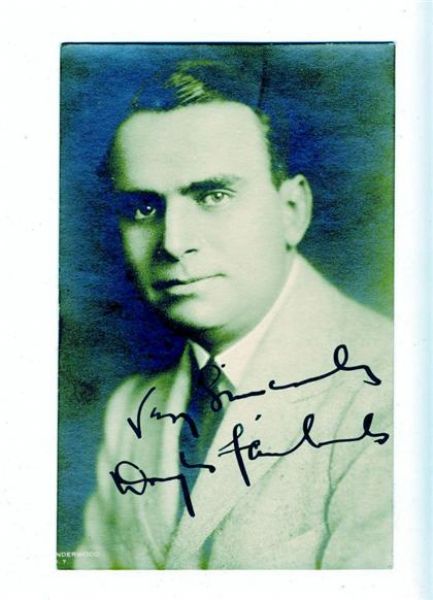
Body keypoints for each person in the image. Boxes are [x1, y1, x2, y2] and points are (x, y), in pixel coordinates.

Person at [74, 59, 392, 569]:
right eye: (144, 208)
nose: (174, 243)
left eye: (213, 196)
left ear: (292, 211)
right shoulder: (131, 409)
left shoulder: (393, 390)